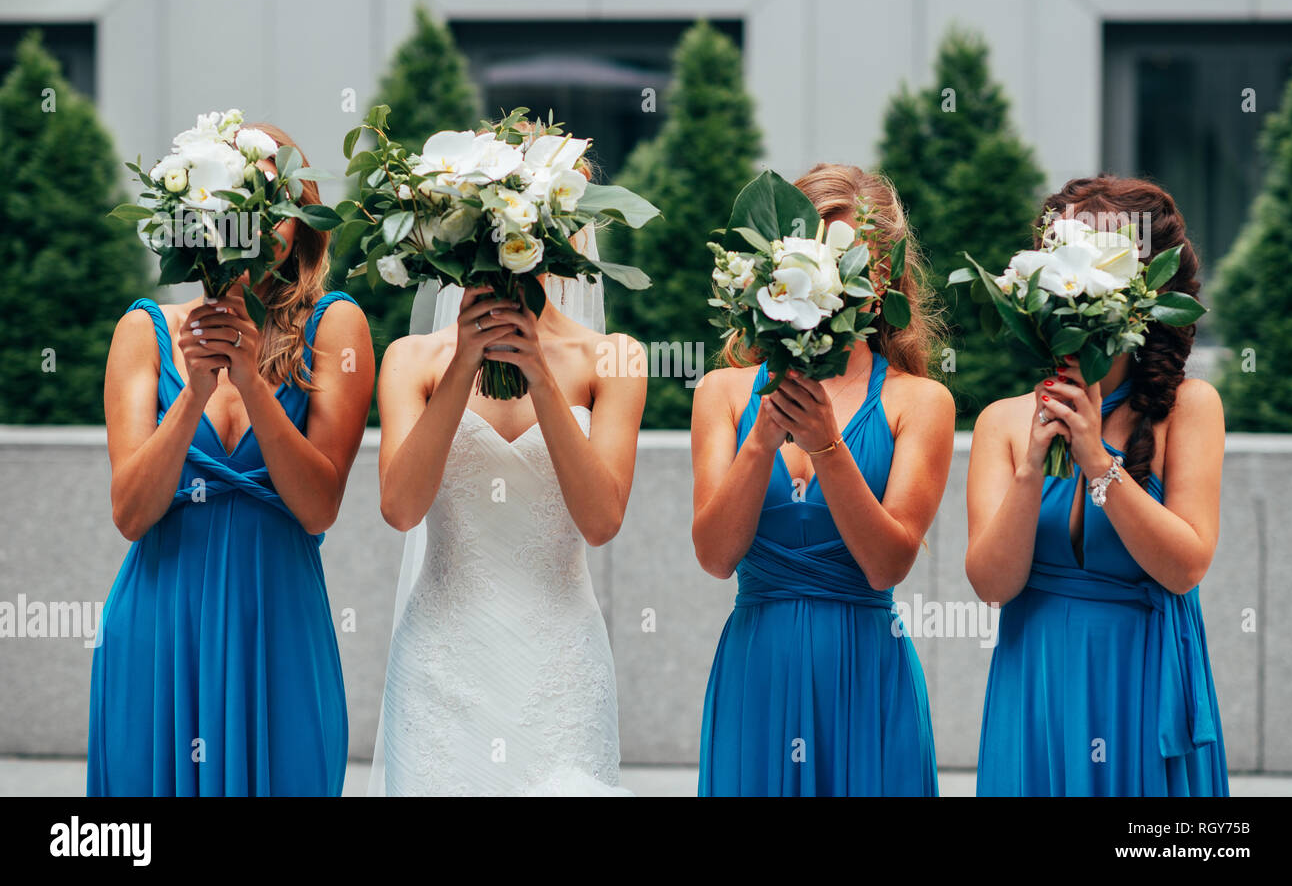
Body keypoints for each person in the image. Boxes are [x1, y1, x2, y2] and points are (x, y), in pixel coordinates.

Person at [88, 123, 374, 796]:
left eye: (266, 207)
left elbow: (317, 504)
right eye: (230, 208)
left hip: (278, 629)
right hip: (161, 629)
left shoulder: (337, 326)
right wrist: (193, 394)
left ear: (298, 222)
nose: (245, 227)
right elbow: (130, 512)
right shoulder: (144, 331)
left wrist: (250, 379)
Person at [370, 185, 645, 794]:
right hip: (442, 664)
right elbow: (400, 508)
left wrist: (542, 380)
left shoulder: (614, 358)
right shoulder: (411, 359)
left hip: (560, 666)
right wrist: (464, 362)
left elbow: (600, 522)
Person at [693, 163, 953, 796]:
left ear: (883, 279)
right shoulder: (722, 393)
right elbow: (715, 555)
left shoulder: (919, 402)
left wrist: (828, 448)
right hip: (759, 668)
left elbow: (889, 565)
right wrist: (762, 436)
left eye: (851, 263)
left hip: (866, 672)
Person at [966, 175, 1229, 796]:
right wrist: (1033, 468)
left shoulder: (1188, 408)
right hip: (1036, 684)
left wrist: (1093, 458)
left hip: (1137, 680)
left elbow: (1186, 566)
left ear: (1139, 297)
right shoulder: (1001, 421)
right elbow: (991, 585)